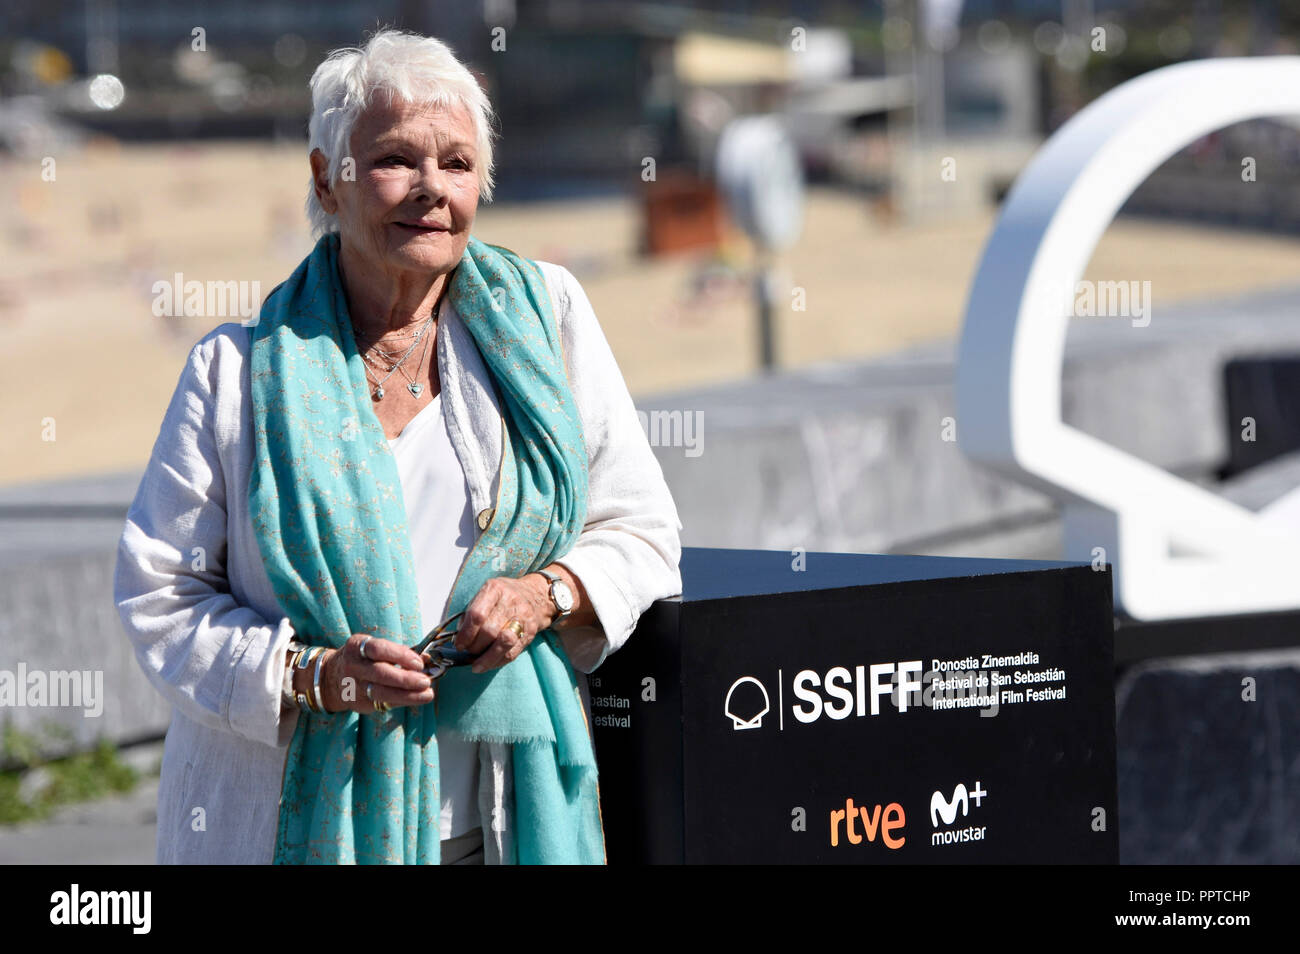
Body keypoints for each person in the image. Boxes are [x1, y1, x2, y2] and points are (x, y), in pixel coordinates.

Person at [113, 28, 683, 864]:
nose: (430, 190)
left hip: (498, 818)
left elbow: (643, 532)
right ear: (326, 179)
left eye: (457, 164)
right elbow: (157, 596)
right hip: (296, 827)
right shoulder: (234, 373)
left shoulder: (546, 319)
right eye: (394, 160)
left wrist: (548, 595)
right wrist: (310, 677)